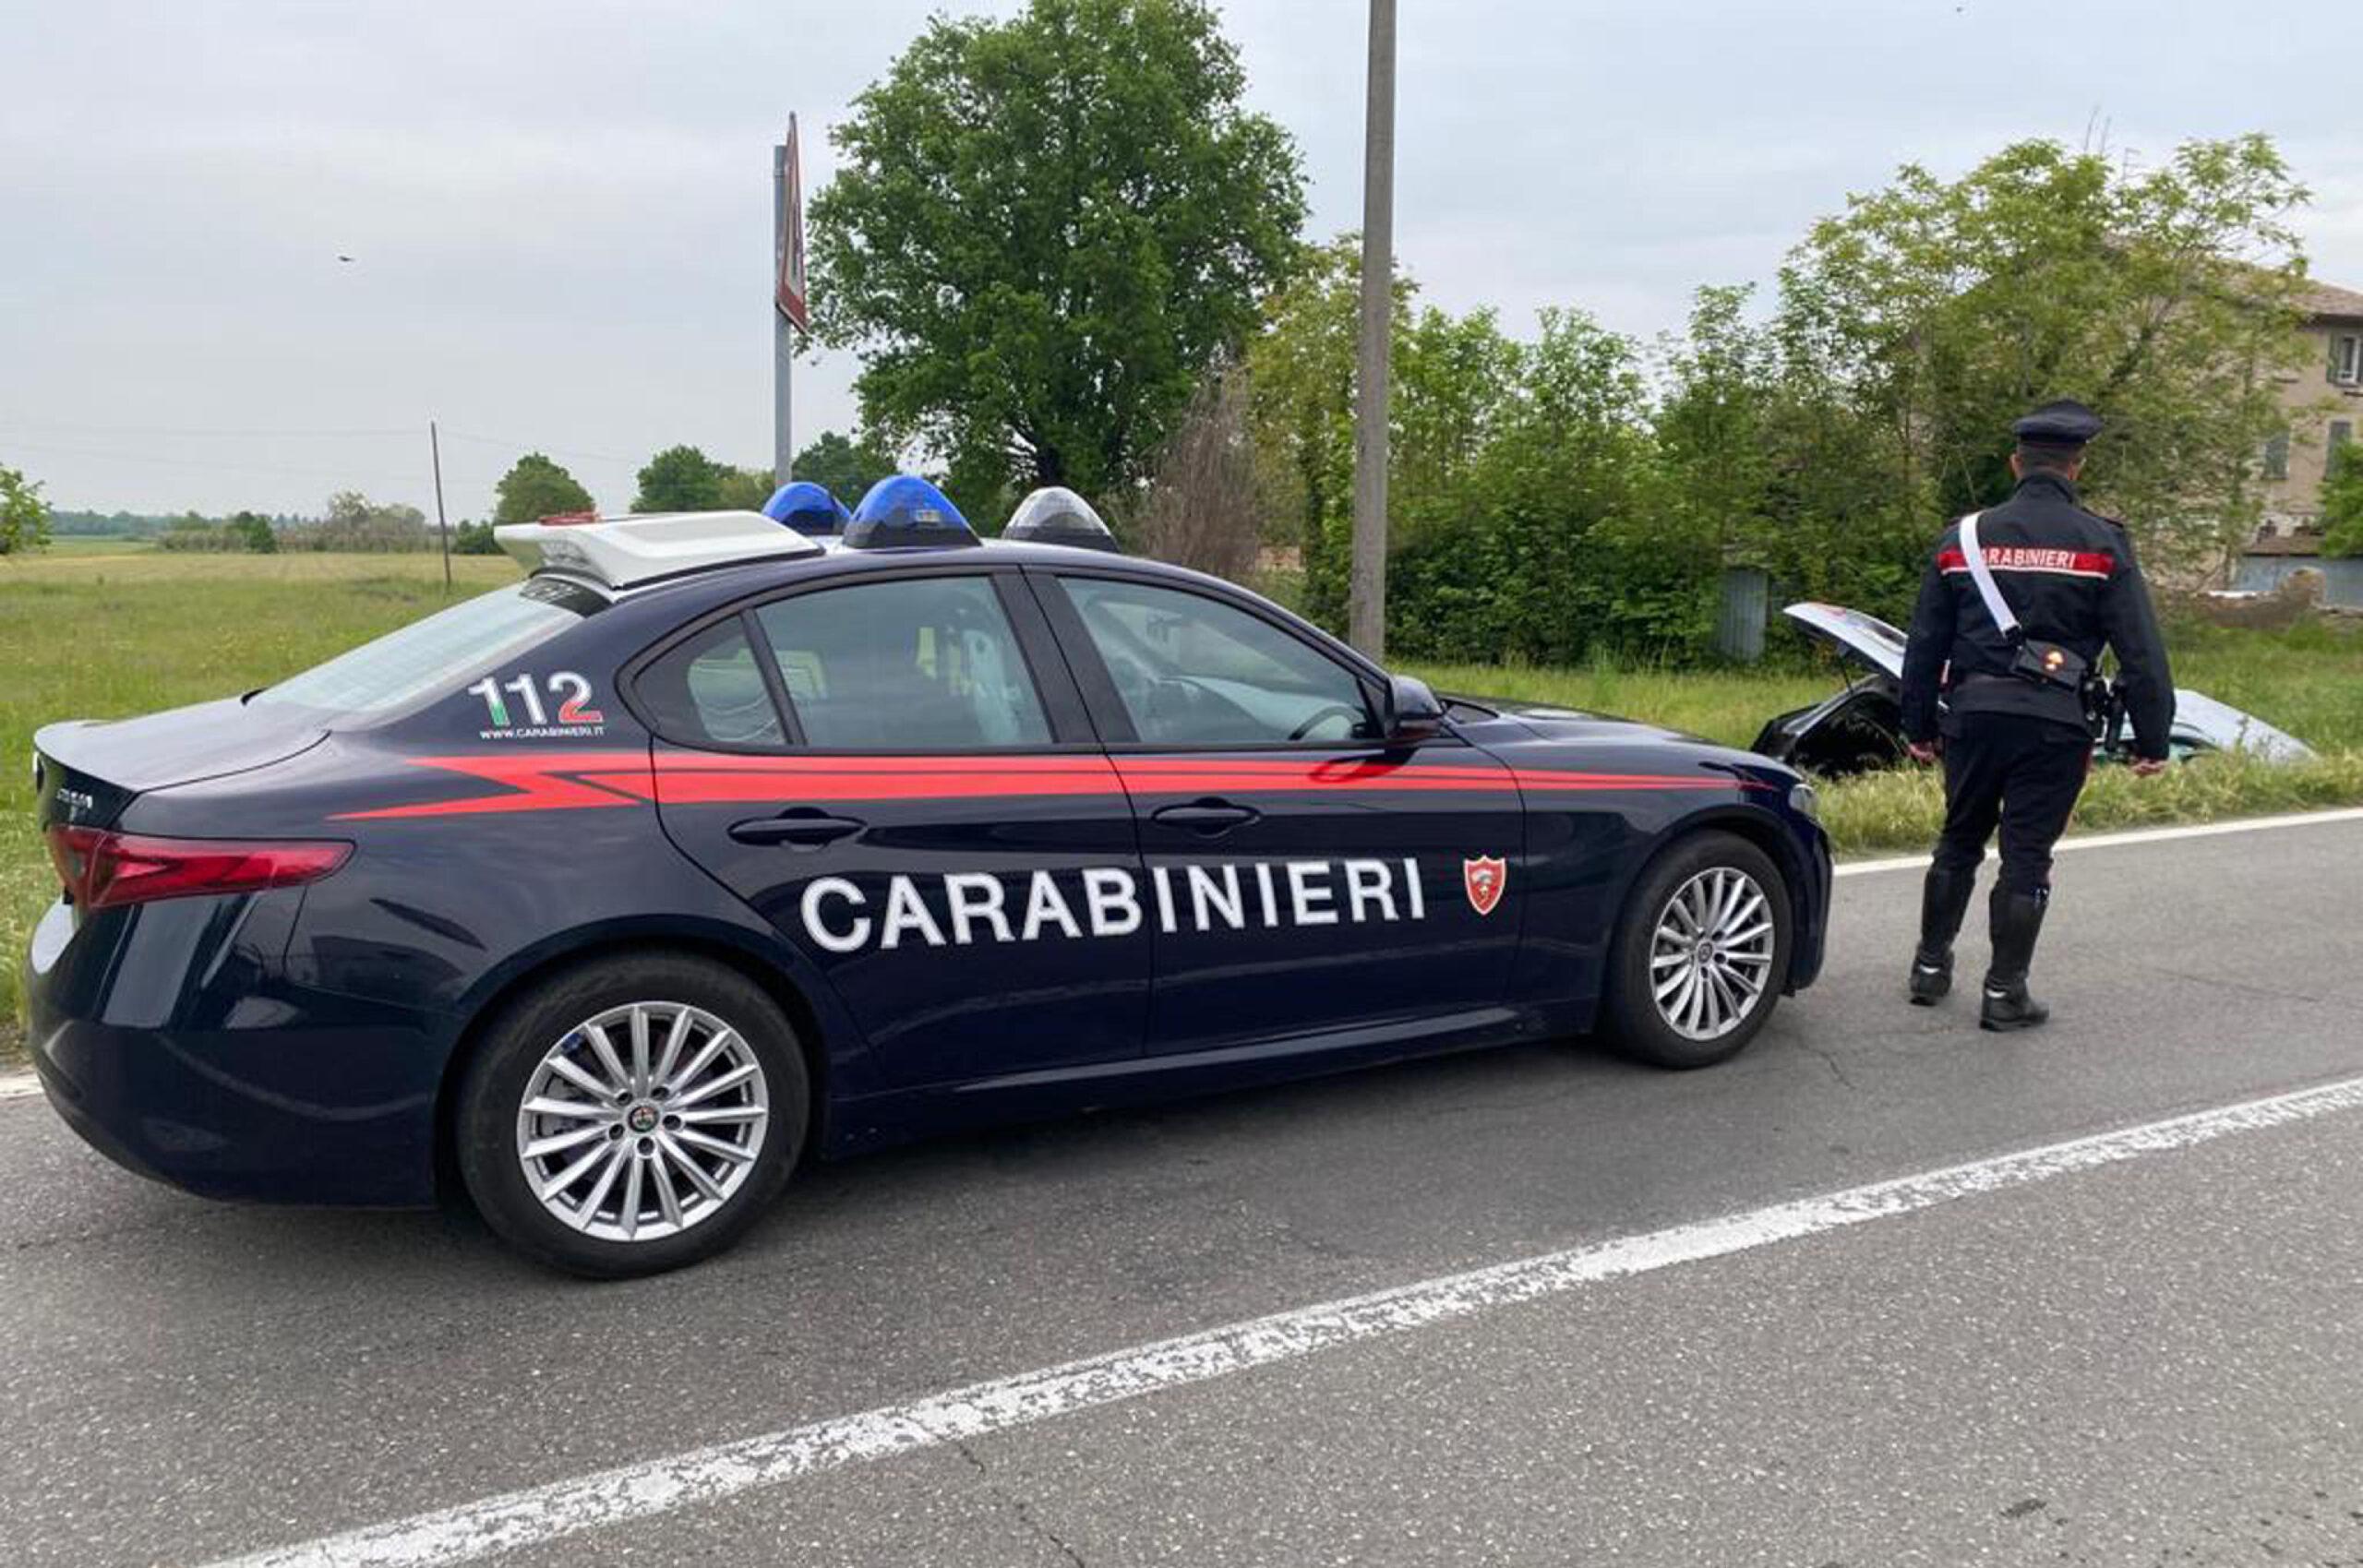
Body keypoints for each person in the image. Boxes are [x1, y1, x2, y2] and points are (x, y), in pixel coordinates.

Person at [1898, 399, 2173, 1031]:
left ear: (2016, 463)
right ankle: (2004, 992)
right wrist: (2150, 737)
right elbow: (2141, 650)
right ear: (2077, 466)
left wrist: (1917, 725)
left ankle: (1930, 968)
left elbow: (1925, 643)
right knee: (2025, 855)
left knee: (1958, 838)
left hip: (1971, 716)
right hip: (2054, 725)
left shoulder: (1961, 538)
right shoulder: (2103, 543)